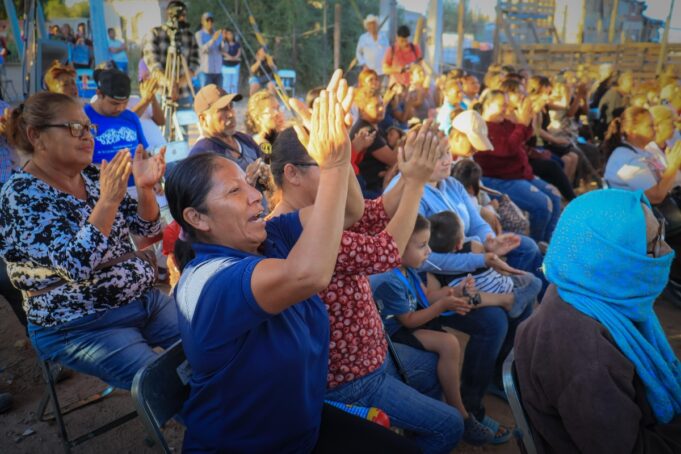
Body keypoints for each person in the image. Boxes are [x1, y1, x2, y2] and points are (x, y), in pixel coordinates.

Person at [166, 71, 419, 453]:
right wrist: (333, 165)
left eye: (249, 183)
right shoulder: (209, 280)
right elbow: (310, 274)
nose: (255, 196)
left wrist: (337, 151)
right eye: (235, 191)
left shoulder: (270, 237)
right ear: (197, 219)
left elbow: (346, 213)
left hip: (300, 428)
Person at [269, 117, 464, 453]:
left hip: (371, 357)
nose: (339, 174)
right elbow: (387, 252)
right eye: (326, 164)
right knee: (449, 426)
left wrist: (410, 171)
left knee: (435, 372)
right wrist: (416, 183)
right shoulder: (292, 230)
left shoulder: (316, 213)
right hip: (348, 380)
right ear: (292, 174)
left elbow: (374, 212)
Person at [0, 92, 178, 390]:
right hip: (80, 322)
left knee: (208, 350)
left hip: (140, 300)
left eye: (88, 127)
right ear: (36, 136)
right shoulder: (20, 195)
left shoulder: (94, 177)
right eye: (74, 127)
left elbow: (145, 228)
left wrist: (145, 189)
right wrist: (107, 201)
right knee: (167, 384)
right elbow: (75, 265)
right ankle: (218, 431)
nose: (87, 136)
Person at [514, 189, 681, 453]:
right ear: (610, 259)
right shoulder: (588, 358)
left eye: (661, 233)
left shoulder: (579, 282)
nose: (667, 250)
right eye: (652, 244)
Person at [370, 214, 496, 446]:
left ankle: (450, 410)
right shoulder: (390, 278)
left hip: (403, 326)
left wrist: (454, 291)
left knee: (447, 344)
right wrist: (442, 306)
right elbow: (408, 320)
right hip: (388, 335)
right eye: (422, 245)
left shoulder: (408, 268)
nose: (428, 251)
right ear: (397, 246)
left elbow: (426, 297)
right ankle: (460, 413)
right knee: (448, 344)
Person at [477, 90, 562, 243]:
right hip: (498, 179)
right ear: (488, 105)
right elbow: (506, 149)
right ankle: (537, 245)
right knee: (543, 205)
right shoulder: (482, 127)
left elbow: (524, 135)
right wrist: (522, 123)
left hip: (519, 175)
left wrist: (528, 118)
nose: (506, 109)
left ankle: (549, 242)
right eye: (502, 105)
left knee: (555, 196)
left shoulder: (503, 123)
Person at [86, 69, 149, 191]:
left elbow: (144, 156)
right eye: (114, 103)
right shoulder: (84, 118)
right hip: (99, 191)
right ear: (99, 93)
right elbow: (75, 166)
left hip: (136, 189)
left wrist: (152, 180)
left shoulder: (131, 117)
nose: (120, 108)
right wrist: (119, 168)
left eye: (125, 103)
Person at [190, 84, 265, 177]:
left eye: (231, 106)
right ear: (203, 119)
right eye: (222, 109)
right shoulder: (201, 156)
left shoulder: (246, 140)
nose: (231, 114)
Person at [142, 0, 199, 106]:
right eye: (181, 15)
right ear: (170, 15)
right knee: (162, 123)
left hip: (184, 94)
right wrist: (169, 83)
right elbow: (153, 64)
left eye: (184, 15)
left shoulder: (190, 36)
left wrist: (177, 84)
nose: (183, 18)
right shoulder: (154, 33)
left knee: (185, 121)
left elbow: (195, 65)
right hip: (161, 93)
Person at [350, 89, 396, 198]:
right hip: (371, 189)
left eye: (382, 104)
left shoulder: (374, 125)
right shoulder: (366, 131)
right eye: (376, 106)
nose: (381, 109)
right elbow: (395, 160)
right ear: (362, 110)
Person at [245, 89, 286, 157]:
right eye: (272, 110)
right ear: (258, 118)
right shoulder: (262, 143)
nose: (278, 113)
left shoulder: (280, 137)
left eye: (278, 108)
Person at [195, 12, 223, 88]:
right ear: (202, 22)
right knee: (206, 96)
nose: (209, 22)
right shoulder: (199, 34)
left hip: (217, 71)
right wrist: (213, 39)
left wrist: (224, 43)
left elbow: (223, 50)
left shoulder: (218, 34)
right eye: (207, 20)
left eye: (211, 20)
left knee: (218, 95)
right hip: (205, 71)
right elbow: (202, 49)